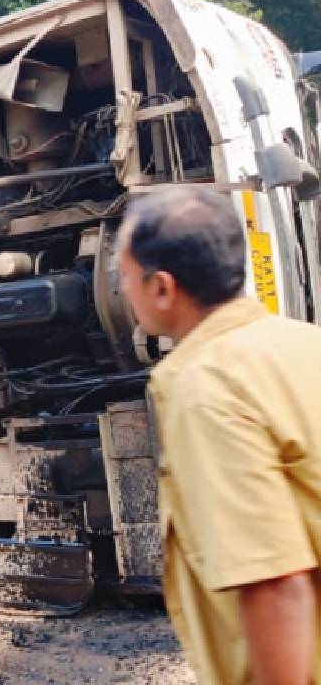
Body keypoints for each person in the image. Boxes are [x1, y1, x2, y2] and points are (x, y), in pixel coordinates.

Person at [117, 186, 321, 684]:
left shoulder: (207, 387)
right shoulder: (304, 344)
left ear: (162, 289)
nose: (122, 290)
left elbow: (275, 585)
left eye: (125, 277)